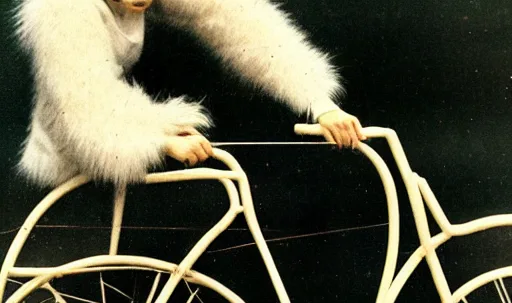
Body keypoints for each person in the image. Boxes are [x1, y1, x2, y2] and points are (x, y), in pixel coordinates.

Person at [16, 0, 365, 187]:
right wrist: (158, 141)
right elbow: (85, 101)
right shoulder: (59, 8)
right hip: (71, 153)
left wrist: (319, 103)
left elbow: (242, 26)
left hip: (119, 132)